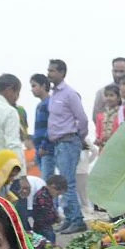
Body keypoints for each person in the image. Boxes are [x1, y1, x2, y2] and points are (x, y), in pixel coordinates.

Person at [44, 62, 89, 234]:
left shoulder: (69, 94)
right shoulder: (54, 94)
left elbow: (82, 119)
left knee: (67, 183)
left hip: (68, 141)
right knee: (63, 183)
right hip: (58, 144)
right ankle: (70, 218)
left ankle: (77, 220)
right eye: (48, 70)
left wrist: (79, 137)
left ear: (62, 72)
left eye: (52, 70)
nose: (49, 73)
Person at [30, 74, 54, 179]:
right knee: (44, 179)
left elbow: (51, 126)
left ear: (43, 86)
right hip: (39, 149)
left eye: (34, 86)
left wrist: (44, 145)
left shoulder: (50, 103)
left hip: (47, 149)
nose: (32, 89)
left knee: (48, 181)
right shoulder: (39, 105)